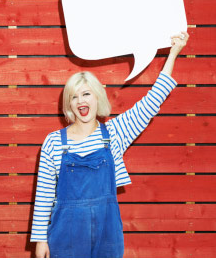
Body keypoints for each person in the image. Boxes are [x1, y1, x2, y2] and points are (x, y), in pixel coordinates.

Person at [30, 31, 189, 258]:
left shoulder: (115, 133)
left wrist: (173, 53)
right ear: (69, 104)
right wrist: (40, 241)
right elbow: (44, 195)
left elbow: (153, 100)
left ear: (97, 98)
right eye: (74, 97)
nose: (81, 101)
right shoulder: (53, 142)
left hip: (107, 234)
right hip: (65, 237)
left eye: (86, 94)